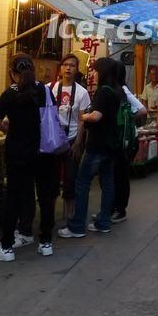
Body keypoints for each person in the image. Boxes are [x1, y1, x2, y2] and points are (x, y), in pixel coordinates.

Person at [0, 54, 59, 261]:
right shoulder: (45, 91)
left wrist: (6, 125)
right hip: (44, 152)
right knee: (46, 198)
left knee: (14, 199)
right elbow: (51, 120)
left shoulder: (9, 94)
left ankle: (7, 247)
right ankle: (46, 243)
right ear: (33, 68)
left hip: (18, 153)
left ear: (12, 72)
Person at [59, 57, 121, 238]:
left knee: (82, 182)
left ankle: (77, 226)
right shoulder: (117, 91)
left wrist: (83, 117)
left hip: (98, 145)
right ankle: (103, 223)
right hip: (111, 145)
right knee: (108, 183)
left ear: (102, 72)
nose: (92, 73)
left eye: (94, 70)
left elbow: (96, 116)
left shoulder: (103, 92)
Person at [52, 53, 91, 230]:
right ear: (60, 68)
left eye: (72, 65)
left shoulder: (82, 92)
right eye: (65, 64)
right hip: (53, 142)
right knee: (51, 181)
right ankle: (49, 216)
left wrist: (78, 143)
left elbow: (82, 119)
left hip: (72, 139)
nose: (68, 68)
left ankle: (69, 216)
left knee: (70, 180)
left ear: (77, 69)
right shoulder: (50, 88)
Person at [113, 62, 147, 223]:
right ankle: (113, 208)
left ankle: (120, 210)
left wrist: (127, 118)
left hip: (125, 142)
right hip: (120, 141)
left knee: (120, 176)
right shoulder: (116, 90)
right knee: (115, 176)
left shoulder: (123, 91)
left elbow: (142, 110)